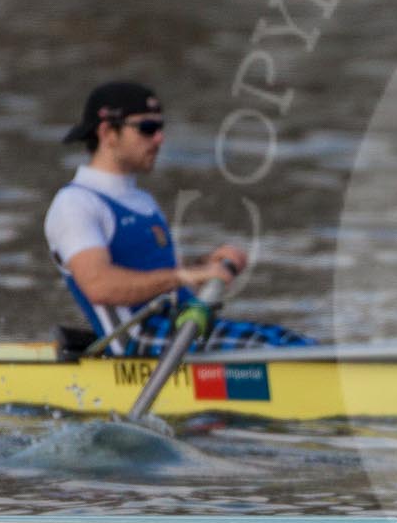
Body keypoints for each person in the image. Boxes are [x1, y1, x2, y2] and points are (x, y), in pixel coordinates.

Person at [45, 81, 312, 355]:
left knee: (284, 339)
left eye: (160, 128)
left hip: (182, 326)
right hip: (138, 341)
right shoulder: (75, 204)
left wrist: (204, 265)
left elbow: (152, 271)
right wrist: (185, 275)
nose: (159, 138)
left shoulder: (141, 200)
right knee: (271, 347)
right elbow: (100, 286)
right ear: (107, 133)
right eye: (147, 129)